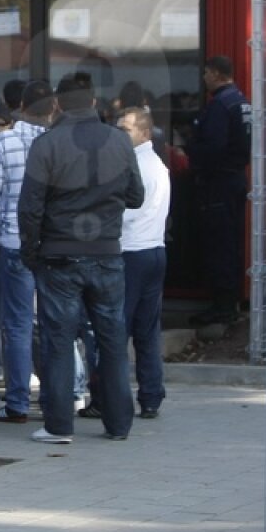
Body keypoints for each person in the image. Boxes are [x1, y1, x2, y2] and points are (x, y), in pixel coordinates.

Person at [18, 75, 144, 444]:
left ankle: (59, 425)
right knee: (112, 340)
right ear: (93, 102)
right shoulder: (120, 141)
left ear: (57, 104)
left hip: (59, 254)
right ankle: (119, 423)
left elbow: (30, 207)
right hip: (106, 253)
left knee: (58, 341)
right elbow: (136, 196)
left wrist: (31, 252)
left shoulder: (47, 145)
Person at [0, 80, 55, 424]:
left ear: (21, 106)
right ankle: (62, 394)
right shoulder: (59, 143)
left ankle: (17, 402)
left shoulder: (5, 140)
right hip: (53, 246)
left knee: (17, 325)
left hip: (14, 244)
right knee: (54, 321)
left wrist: (0, 232)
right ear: (53, 109)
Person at [186, 55, 251, 327]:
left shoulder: (220, 106)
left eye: (205, 74)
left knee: (220, 244)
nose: (203, 79)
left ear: (215, 74)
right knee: (231, 241)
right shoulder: (241, 101)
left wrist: (189, 152)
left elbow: (212, 149)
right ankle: (229, 302)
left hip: (219, 184)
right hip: (235, 178)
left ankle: (223, 307)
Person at [117, 107, 171, 419]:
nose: (120, 134)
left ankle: (114, 398)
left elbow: (126, 214)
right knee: (148, 331)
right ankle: (151, 397)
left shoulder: (137, 166)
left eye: (126, 129)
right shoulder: (159, 166)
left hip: (133, 252)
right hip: (154, 250)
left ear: (145, 134)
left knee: (117, 329)